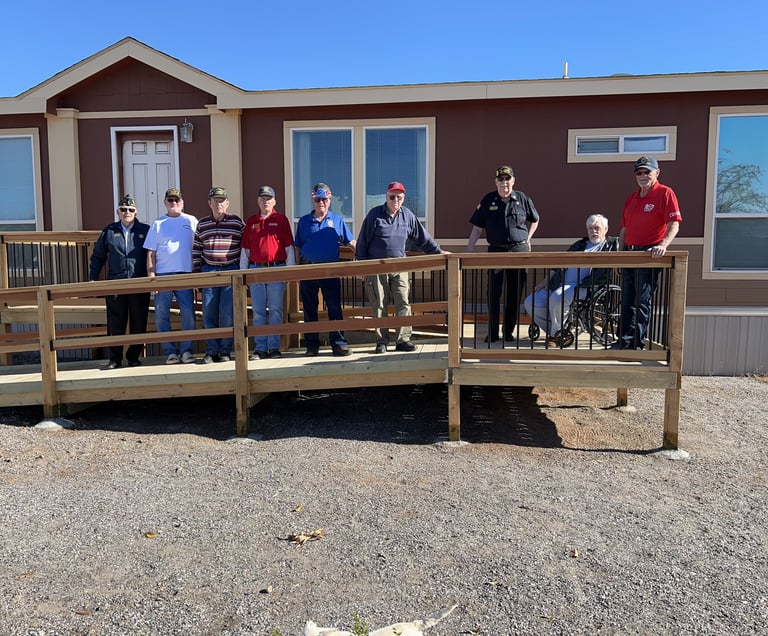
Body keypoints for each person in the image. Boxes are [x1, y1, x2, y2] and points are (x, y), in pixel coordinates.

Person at [355, 181, 445, 354]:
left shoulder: (407, 215)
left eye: (399, 197)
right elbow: (362, 243)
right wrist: (362, 266)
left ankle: (403, 340)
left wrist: (439, 252)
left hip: (400, 265)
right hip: (376, 267)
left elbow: (422, 238)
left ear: (403, 198)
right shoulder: (375, 215)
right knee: (379, 303)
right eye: (392, 196)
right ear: (386, 197)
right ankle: (381, 341)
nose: (395, 200)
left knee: (403, 301)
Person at [467, 165, 540, 343]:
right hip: (496, 251)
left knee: (515, 293)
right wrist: (469, 251)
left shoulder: (522, 198)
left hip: (519, 251)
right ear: (496, 182)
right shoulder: (488, 199)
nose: (504, 183)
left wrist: (528, 239)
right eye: (500, 179)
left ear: (513, 181)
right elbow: (477, 229)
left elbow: (535, 220)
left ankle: (508, 332)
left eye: (507, 179)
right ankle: (492, 333)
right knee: (493, 292)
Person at [617, 156, 682, 349]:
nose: (643, 175)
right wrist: (620, 255)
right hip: (629, 254)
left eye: (647, 172)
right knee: (627, 300)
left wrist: (663, 245)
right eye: (639, 172)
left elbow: (674, 225)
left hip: (649, 254)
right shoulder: (631, 198)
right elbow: (624, 230)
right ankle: (625, 342)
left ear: (657, 173)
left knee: (642, 300)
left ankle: (637, 345)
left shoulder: (665, 193)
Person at [523, 214, 618, 343]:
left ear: (605, 229)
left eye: (597, 228)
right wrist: (545, 281)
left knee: (558, 297)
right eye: (590, 228)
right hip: (560, 283)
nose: (593, 231)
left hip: (585, 286)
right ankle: (557, 331)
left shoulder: (609, 246)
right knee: (531, 301)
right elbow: (560, 263)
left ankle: (556, 335)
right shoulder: (580, 244)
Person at [294, 182, 356, 357]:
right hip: (308, 269)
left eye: (324, 199)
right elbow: (297, 247)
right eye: (317, 200)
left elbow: (350, 242)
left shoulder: (337, 219)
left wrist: (365, 255)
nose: (321, 203)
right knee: (309, 308)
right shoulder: (305, 221)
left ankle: (338, 344)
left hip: (331, 269)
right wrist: (297, 269)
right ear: (313, 200)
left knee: (335, 307)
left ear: (330, 200)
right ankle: (312, 346)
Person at [89, 194, 151, 369]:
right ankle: (114, 359)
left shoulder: (145, 230)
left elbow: (153, 256)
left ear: (136, 212)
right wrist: (93, 278)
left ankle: (133, 357)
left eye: (131, 210)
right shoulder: (109, 231)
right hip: (116, 283)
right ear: (118, 211)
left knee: (139, 321)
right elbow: (98, 257)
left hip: (139, 283)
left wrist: (153, 278)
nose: (127, 212)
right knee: (116, 322)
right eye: (123, 210)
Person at [144, 187, 199, 364]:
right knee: (161, 315)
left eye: (177, 200)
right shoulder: (158, 223)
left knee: (189, 313)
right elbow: (150, 253)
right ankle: (170, 352)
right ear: (165, 203)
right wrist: (152, 276)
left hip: (185, 274)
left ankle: (186, 351)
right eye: (170, 200)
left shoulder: (191, 221)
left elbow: (199, 248)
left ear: (182, 202)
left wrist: (197, 274)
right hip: (163, 275)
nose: (173, 203)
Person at [241, 185, 295, 360]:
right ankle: (260, 348)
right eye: (263, 198)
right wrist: (244, 276)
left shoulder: (281, 220)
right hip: (256, 269)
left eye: (269, 198)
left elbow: (289, 249)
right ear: (258, 201)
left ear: (274, 201)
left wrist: (289, 274)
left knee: (276, 310)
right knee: (257, 311)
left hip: (276, 269)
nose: (266, 201)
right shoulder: (251, 222)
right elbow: (245, 251)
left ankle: (274, 347)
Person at [192, 187, 244, 364]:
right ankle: (211, 351)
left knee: (228, 313)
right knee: (208, 313)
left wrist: (243, 271)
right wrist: (197, 275)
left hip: (231, 270)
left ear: (227, 203)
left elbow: (246, 249)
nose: (218, 203)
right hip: (209, 271)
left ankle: (224, 351)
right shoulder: (202, 223)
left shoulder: (237, 222)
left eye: (222, 200)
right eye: (215, 200)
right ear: (209, 203)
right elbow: (196, 250)